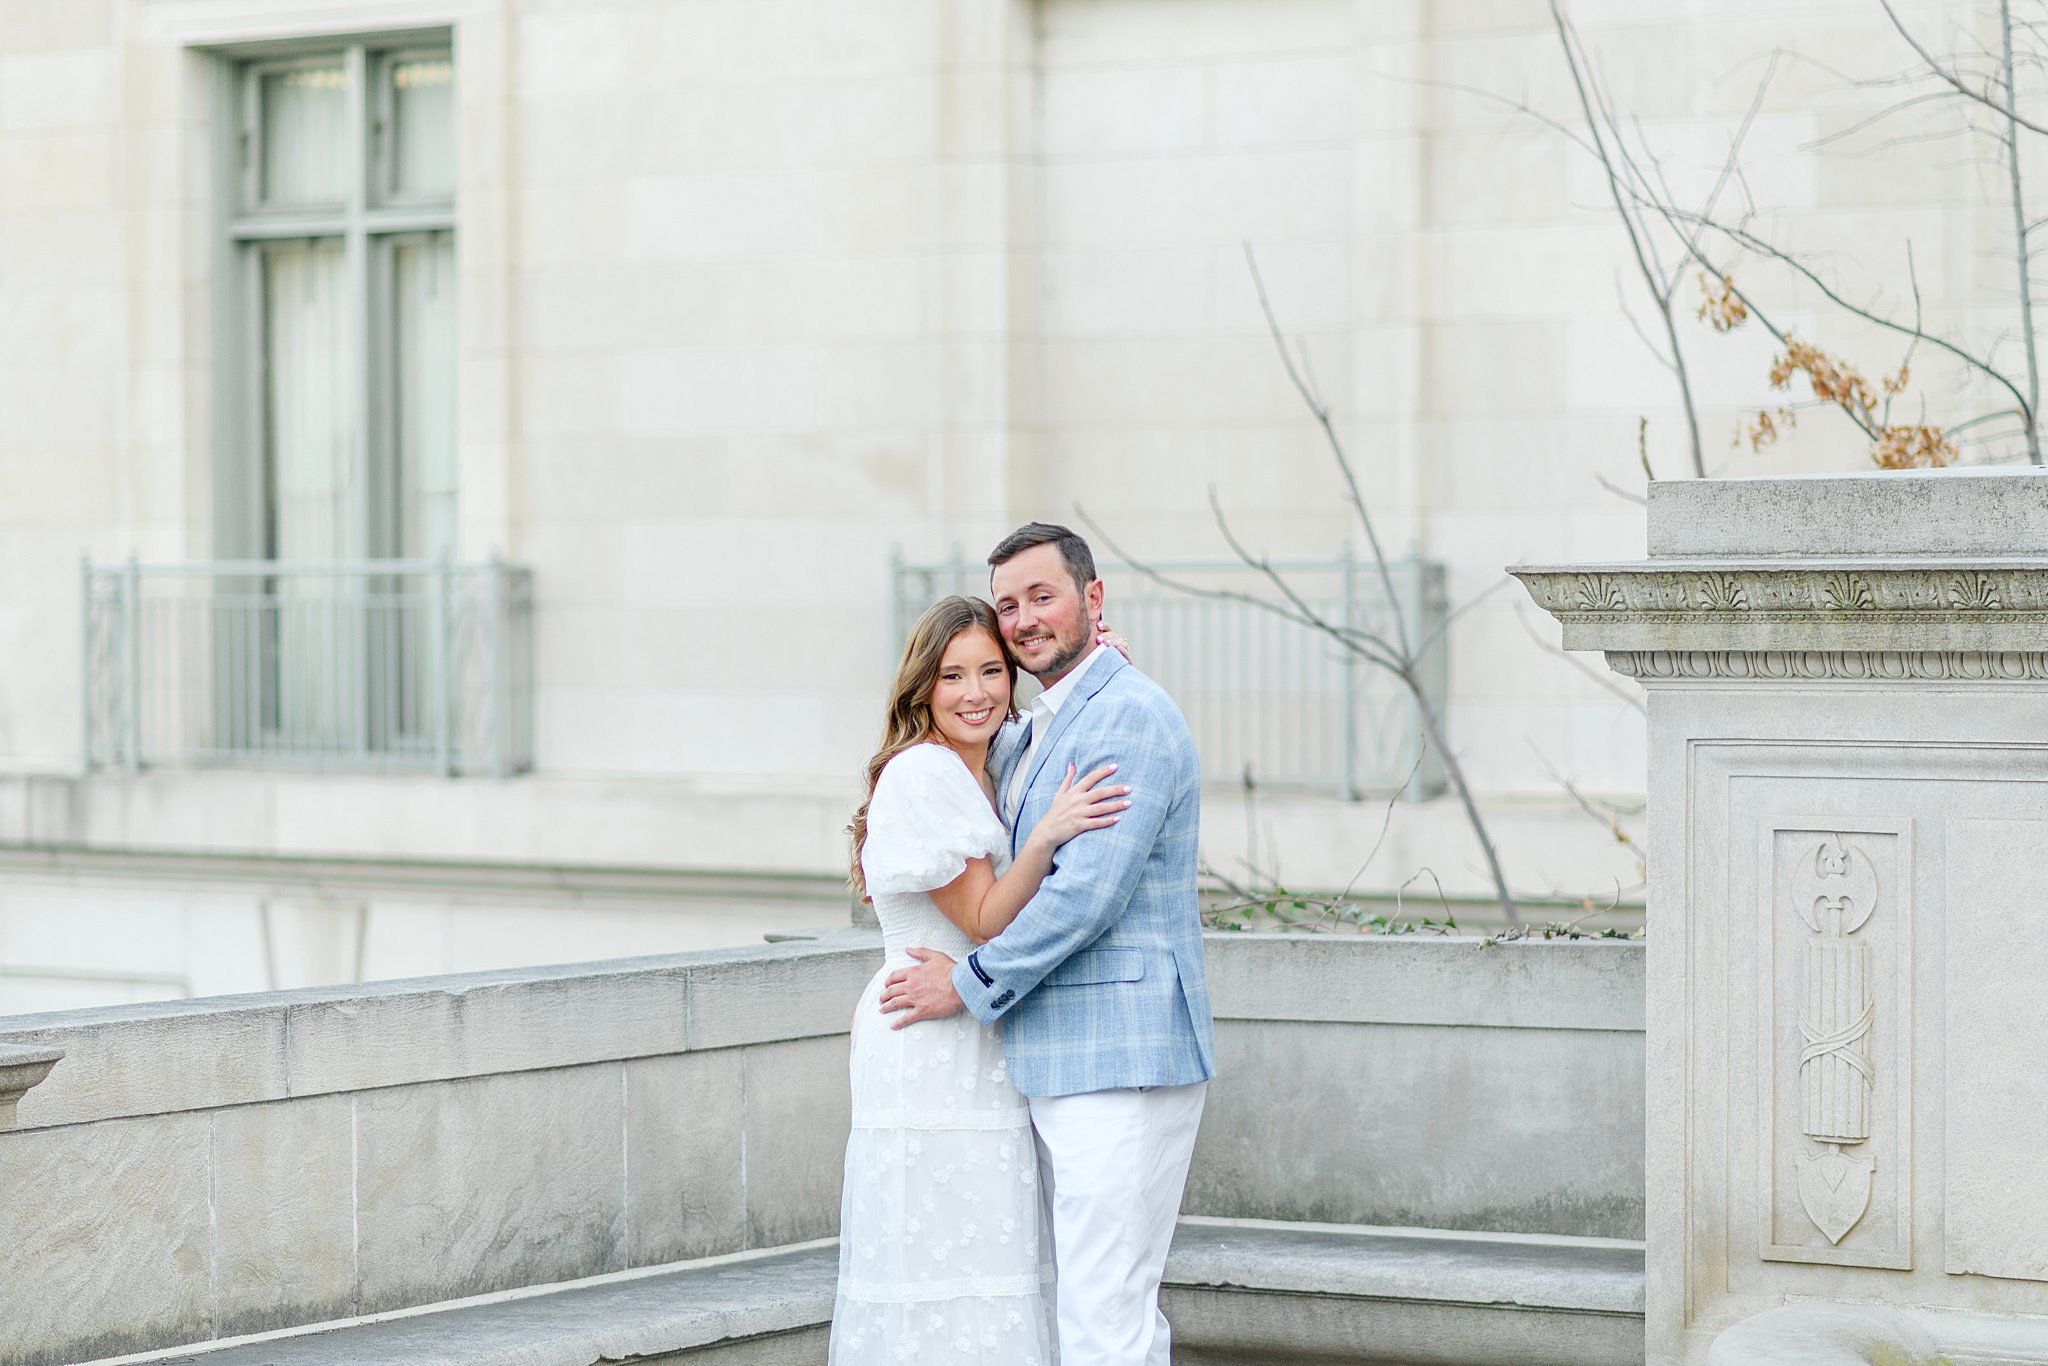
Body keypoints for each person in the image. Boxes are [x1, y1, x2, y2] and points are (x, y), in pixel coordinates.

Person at [881, 522, 1217, 1366]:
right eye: (1009, 607)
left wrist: (969, 983)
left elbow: (1086, 899)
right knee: (1097, 1306)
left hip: (1121, 1057)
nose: (1025, 619)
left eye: (1044, 596)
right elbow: (979, 738)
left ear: (1092, 599)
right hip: (1066, 1059)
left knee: (1107, 1314)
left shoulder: (1129, 715)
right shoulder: (1049, 723)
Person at [831, 594, 1133, 1364]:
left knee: (988, 1251)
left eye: (992, 672)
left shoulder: (988, 765)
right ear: (922, 688)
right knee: (940, 1251)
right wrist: (1052, 832)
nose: (976, 693)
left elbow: (1056, 722)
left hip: (974, 1018)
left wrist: (1103, 665)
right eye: (953, 675)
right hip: (926, 1032)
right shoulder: (926, 774)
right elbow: (983, 920)